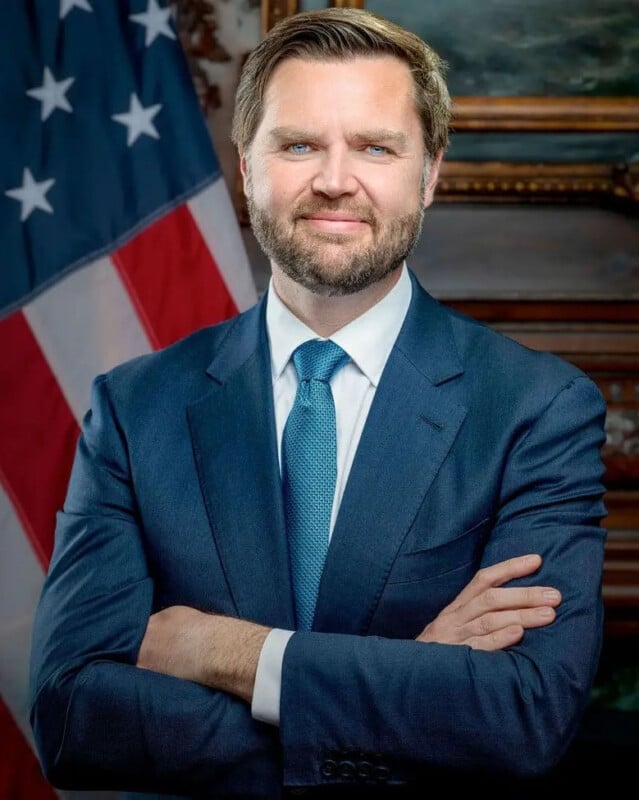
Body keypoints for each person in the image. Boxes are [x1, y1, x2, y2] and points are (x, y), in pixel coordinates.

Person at [29, 7, 608, 799]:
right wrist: (411, 684)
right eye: (298, 144)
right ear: (246, 164)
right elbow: (71, 719)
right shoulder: (134, 409)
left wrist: (222, 652)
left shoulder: (536, 408)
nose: (335, 178)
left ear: (429, 173)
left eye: (374, 146)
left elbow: (521, 714)